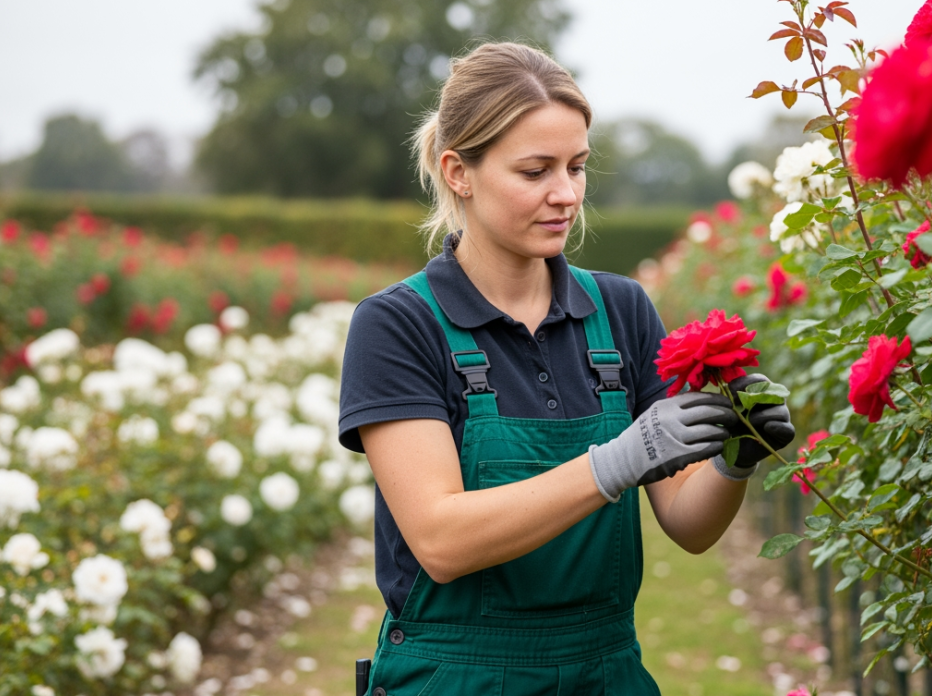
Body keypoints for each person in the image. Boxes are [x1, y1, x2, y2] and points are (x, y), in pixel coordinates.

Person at [338, 42, 796, 695]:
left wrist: (735, 457)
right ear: (458, 171)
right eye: (535, 171)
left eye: (577, 167)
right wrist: (615, 462)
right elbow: (440, 540)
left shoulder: (622, 310)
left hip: (604, 673)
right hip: (456, 678)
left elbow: (689, 524)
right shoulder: (398, 325)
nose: (565, 195)